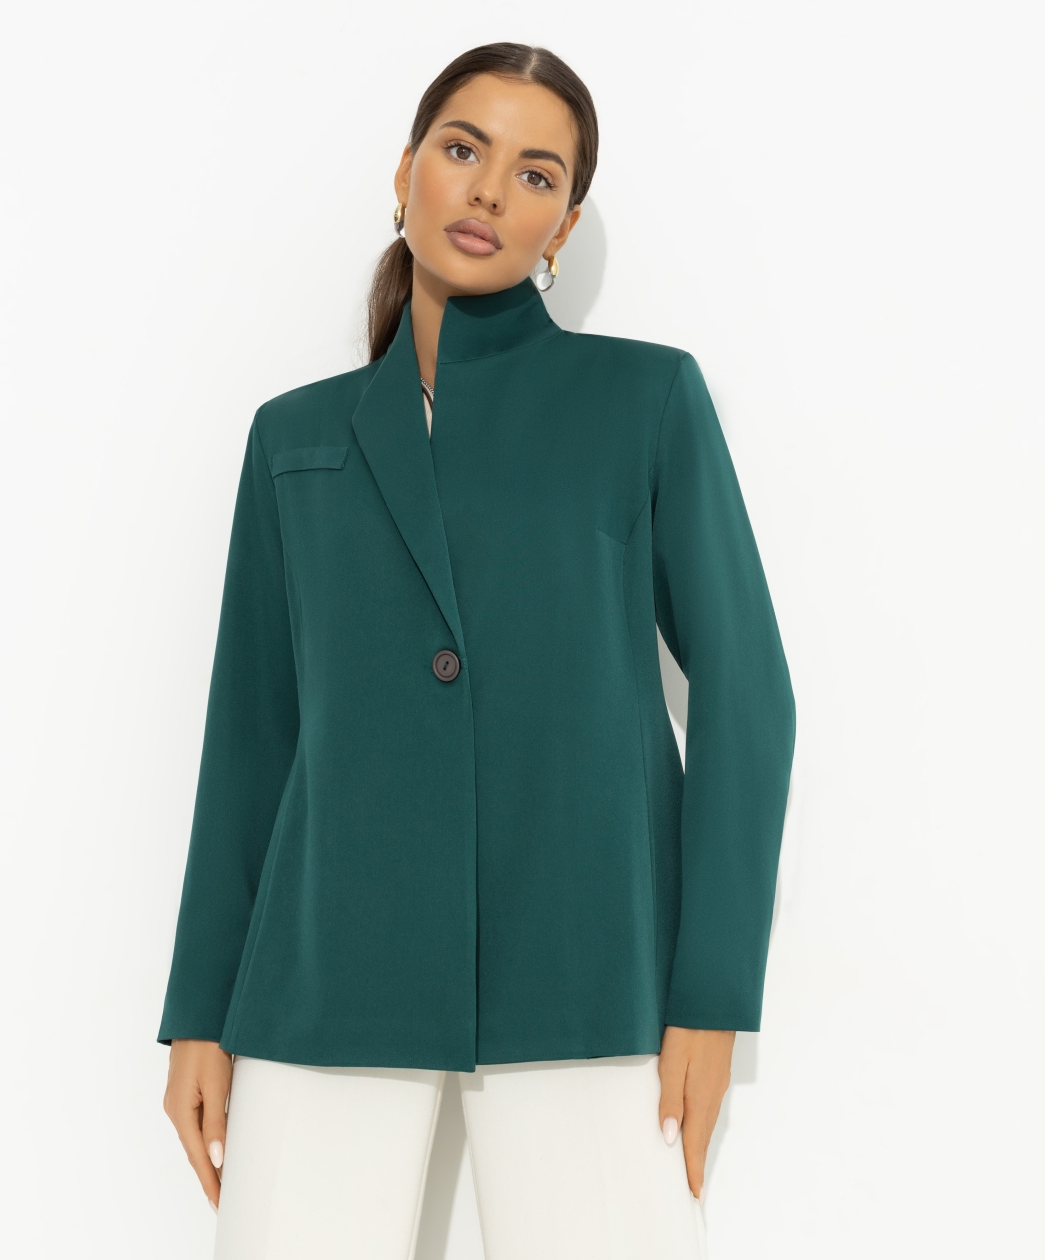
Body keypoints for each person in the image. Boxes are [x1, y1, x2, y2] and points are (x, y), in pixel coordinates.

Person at [158, 42, 795, 1260]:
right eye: (464, 149)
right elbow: (251, 733)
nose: (491, 190)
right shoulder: (292, 438)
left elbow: (749, 695)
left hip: (589, 962)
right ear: (406, 171)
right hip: (324, 972)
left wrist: (711, 996)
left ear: (564, 226)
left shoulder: (645, 401)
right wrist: (201, 1010)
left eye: (537, 174)